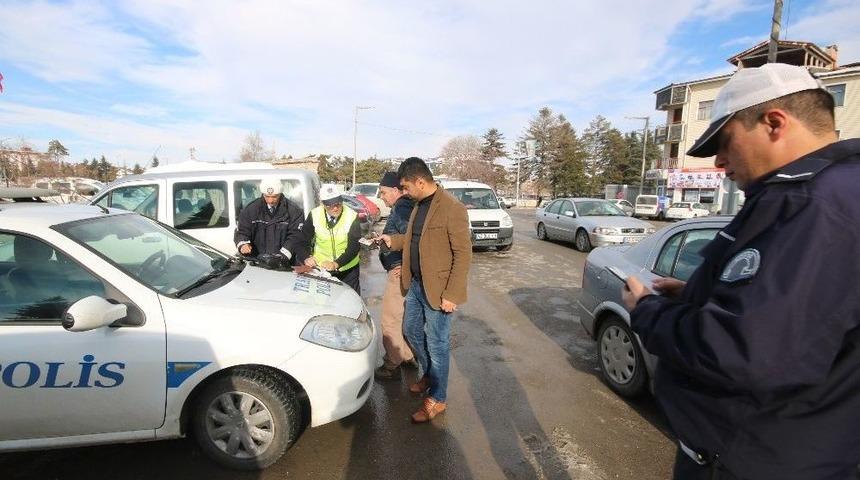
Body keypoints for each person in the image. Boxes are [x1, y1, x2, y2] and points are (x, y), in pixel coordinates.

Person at [621, 63, 860, 479]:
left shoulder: (810, 204)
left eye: (725, 141)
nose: (718, 161)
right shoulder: (824, 192)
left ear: (774, 123)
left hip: (758, 459)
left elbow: (746, 351)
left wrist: (646, 309)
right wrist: (698, 294)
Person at [379, 157, 472, 423]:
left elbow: (463, 254)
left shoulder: (451, 208)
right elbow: (412, 240)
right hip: (417, 284)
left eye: (406, 187)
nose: (404, 193)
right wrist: (392, 240)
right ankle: (431, 375)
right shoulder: (419, 205)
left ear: (421, 181)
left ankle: (438, 398)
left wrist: (452, 295)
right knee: (410, 330)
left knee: (438, 343)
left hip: (439, 290)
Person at [374, 171, 416, 380]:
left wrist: (403, 263)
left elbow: (412, 238)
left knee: (390, 319)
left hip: (399, 270)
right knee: (401, 317)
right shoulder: (405, 206)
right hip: (401, 268)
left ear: (395, 190)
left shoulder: (401, 207)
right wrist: (383, 239)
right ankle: (407, 356)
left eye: (383, 193)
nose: (381, 197)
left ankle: (392, 362)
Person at [302, 185, 362, 294]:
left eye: (338, 204)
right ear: (323, 204)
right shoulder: (314, 214)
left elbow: (354, 246)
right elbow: (302, 240)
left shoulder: (352, 216)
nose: (335, 208)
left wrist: (336, 263)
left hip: (348, 270)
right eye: (330, 205)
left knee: (349, 302)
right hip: (322, 270)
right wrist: (307, 257)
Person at [235, 178, 305, 261]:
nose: (270, 201)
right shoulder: (251, 210)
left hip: (284, 262)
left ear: (280, 194)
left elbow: (296, 235)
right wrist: (243, 244)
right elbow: (242, 231)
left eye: (274, 197)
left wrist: (283, 255)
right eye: (267, 196)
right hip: (257, 261)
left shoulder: (293, 211)